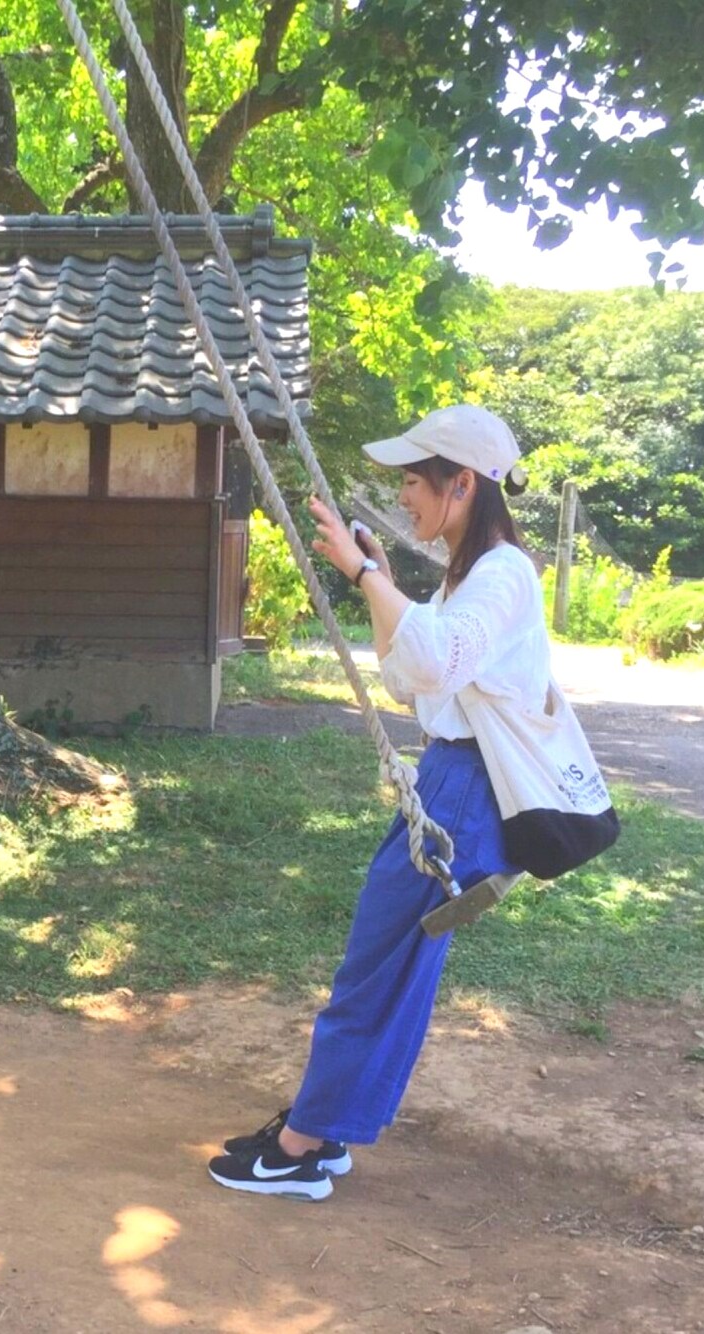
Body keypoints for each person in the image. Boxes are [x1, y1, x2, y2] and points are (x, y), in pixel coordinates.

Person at [207, 404, 550, 1201]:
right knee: (389, 968)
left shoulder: (502, 574)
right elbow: (407, 679)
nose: (403, 497)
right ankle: (323, 1132)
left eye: (414, 482)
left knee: (377, 969)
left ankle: (299, 1149)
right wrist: (381, 587)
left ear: (462, 485)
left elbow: (433, 664)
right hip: (450, 782)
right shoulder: (468, 577)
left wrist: (367, 576)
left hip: (465, 790)